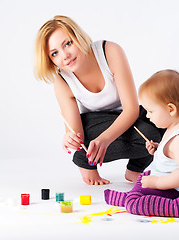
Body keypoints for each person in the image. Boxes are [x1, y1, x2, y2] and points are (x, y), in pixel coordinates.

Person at [34, 15, 163, 185]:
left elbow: (131, 110)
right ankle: (85, 161)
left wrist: (106, 139)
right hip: (94, 126)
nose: (65, 55)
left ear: (78, 36)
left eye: (68, 43)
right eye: (55, 53)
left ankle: (136, 169)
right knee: (149, 135)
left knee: (173, 106)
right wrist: (70, 138)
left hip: (126, 116)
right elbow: (75, 132)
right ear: (51, 60)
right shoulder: (62, 80)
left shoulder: (109, 51)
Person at [104, 70, 179, 221]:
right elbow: (173, 156)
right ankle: (133, 196)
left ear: (171, 109)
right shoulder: (174, 128)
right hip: (169, 186)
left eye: (151, 111)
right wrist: (159, 149)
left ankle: (177, 208)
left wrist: (158, 183)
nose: (147, 115)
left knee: (135, 205)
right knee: (144, 177)